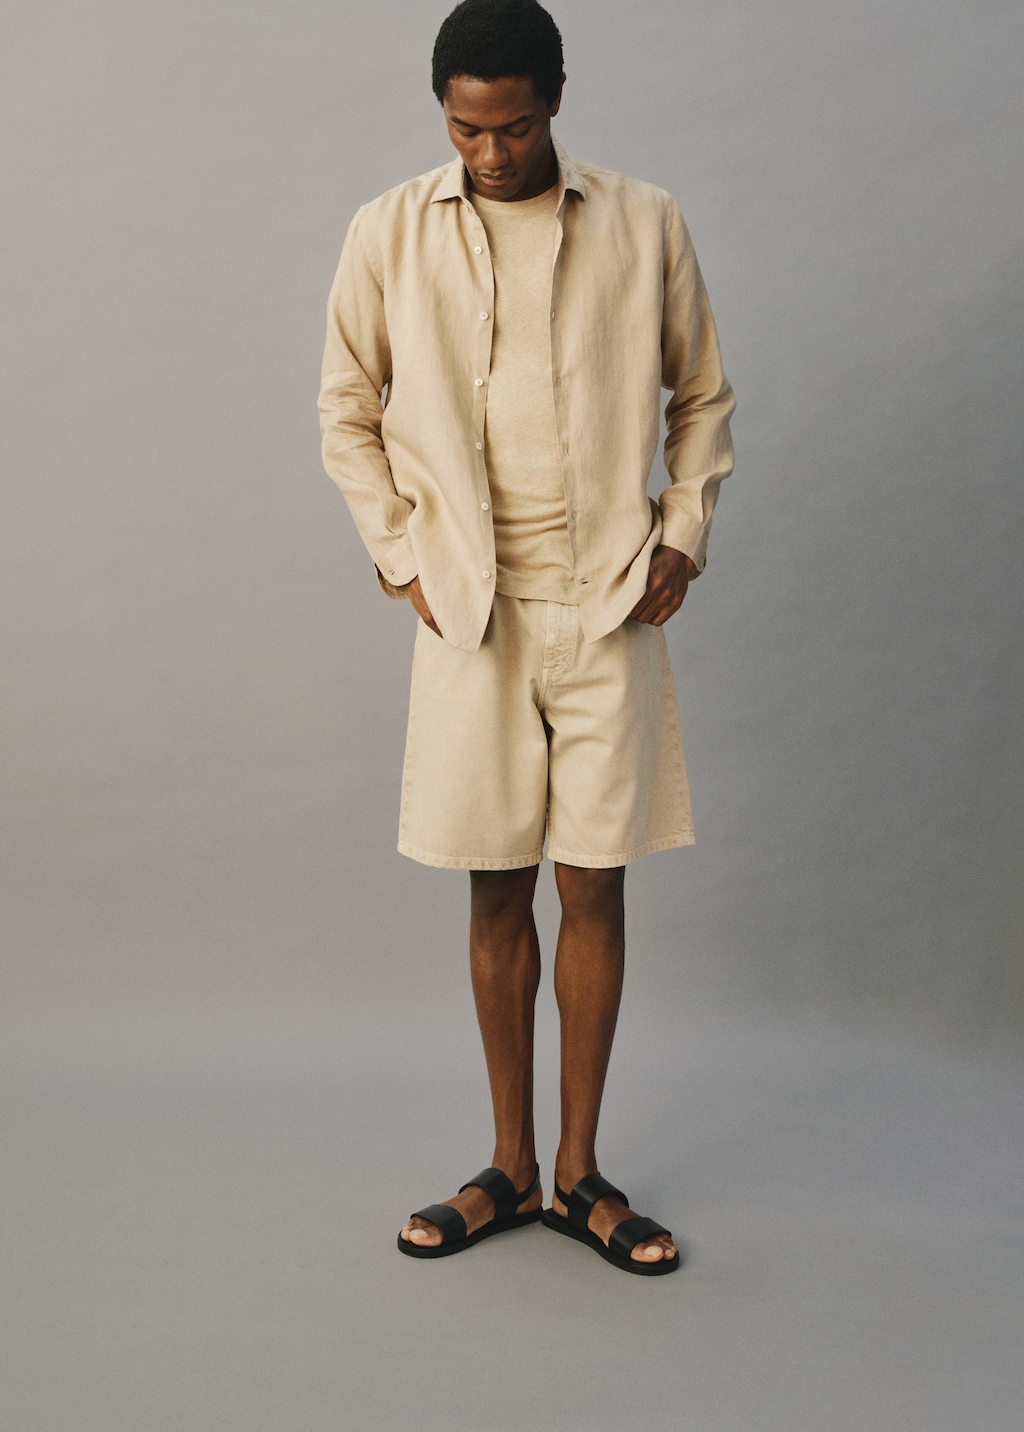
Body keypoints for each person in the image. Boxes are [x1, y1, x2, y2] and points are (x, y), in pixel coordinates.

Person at [318, 0, 734, 1276]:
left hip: (606, 600)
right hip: (472, 612)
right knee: (494, 884)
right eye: (464, 129)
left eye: (511, 127)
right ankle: (505, 1165)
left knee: (592, 881)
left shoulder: (644, 220)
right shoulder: (388, 231)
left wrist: (681, 532)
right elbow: (345, 407)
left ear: (555, 97)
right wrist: (402, 556)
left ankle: (578, 1175)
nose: (489, 155)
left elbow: (700, 393)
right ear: (443, 112)